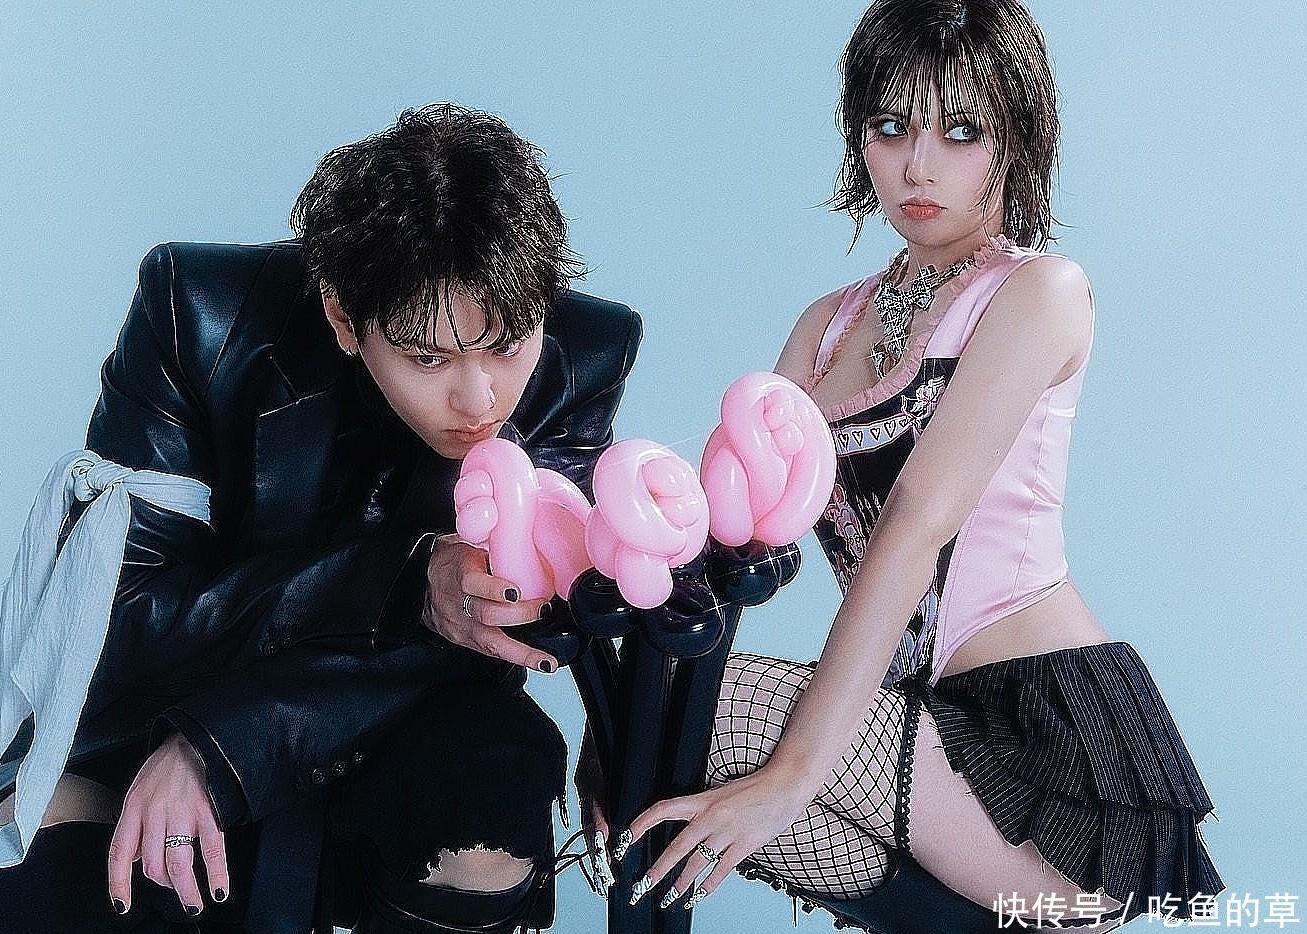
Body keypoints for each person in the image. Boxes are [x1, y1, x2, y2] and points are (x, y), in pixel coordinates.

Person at [618, 1, 1223, 929]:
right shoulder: (825, 326)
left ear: (1017, 136)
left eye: (961, 131)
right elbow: (728, 526)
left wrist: (790, 774)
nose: (917, 166)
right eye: (890, 126)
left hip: (1041, 752)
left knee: (712, 711)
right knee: (655, 717)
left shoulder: (1038, 293)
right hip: (905, 726)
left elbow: (917, 517)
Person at [0, 102, 642, 934]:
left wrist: (228, 745)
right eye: (427, 358)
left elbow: (507, 625)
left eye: (508, 345)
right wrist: (405, 583)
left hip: (404, 722)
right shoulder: (196, 312)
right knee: (34, 860)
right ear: (343, 317)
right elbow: (126, 617)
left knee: (493, 783)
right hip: (173, 707)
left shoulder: (583, 353)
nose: (478, 398)